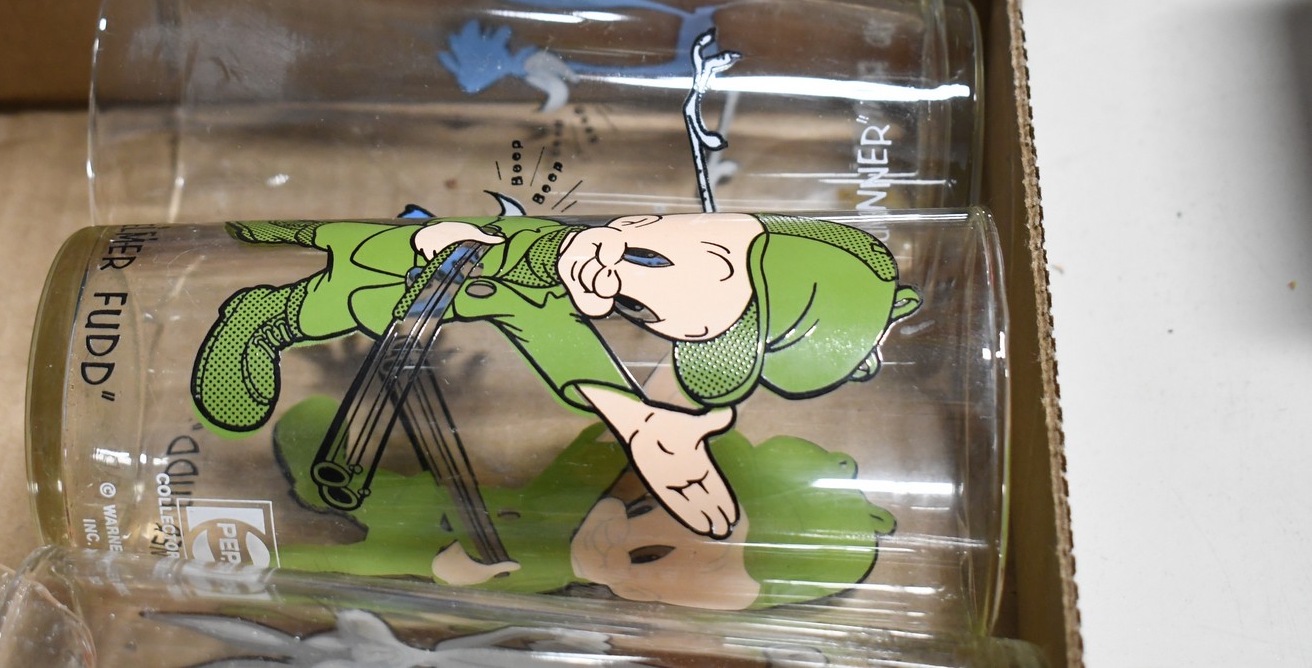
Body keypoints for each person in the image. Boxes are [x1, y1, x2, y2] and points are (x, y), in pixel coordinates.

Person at [192, 212, 919, 539]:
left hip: (408, 302)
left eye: (637, 309)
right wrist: (441, 237)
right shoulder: (547, 251)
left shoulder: (553, 300)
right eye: (647, 254)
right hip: (372, 260)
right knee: (339, 284)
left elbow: (567, 350)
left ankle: (274, 316)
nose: (608, 277)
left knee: (346, 302)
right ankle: (270, 313)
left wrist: (639, 422)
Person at [271, 396, 896, 611]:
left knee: (350, 565)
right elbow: (598, 441)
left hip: (438, 545)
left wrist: (453, 572)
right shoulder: (585, 484)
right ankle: (317, 485)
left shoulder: (564, 569)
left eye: (648, 575)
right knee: (368, 507)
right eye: (643, 515)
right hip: (435, 503)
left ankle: (268, 550)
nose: (621, 557)